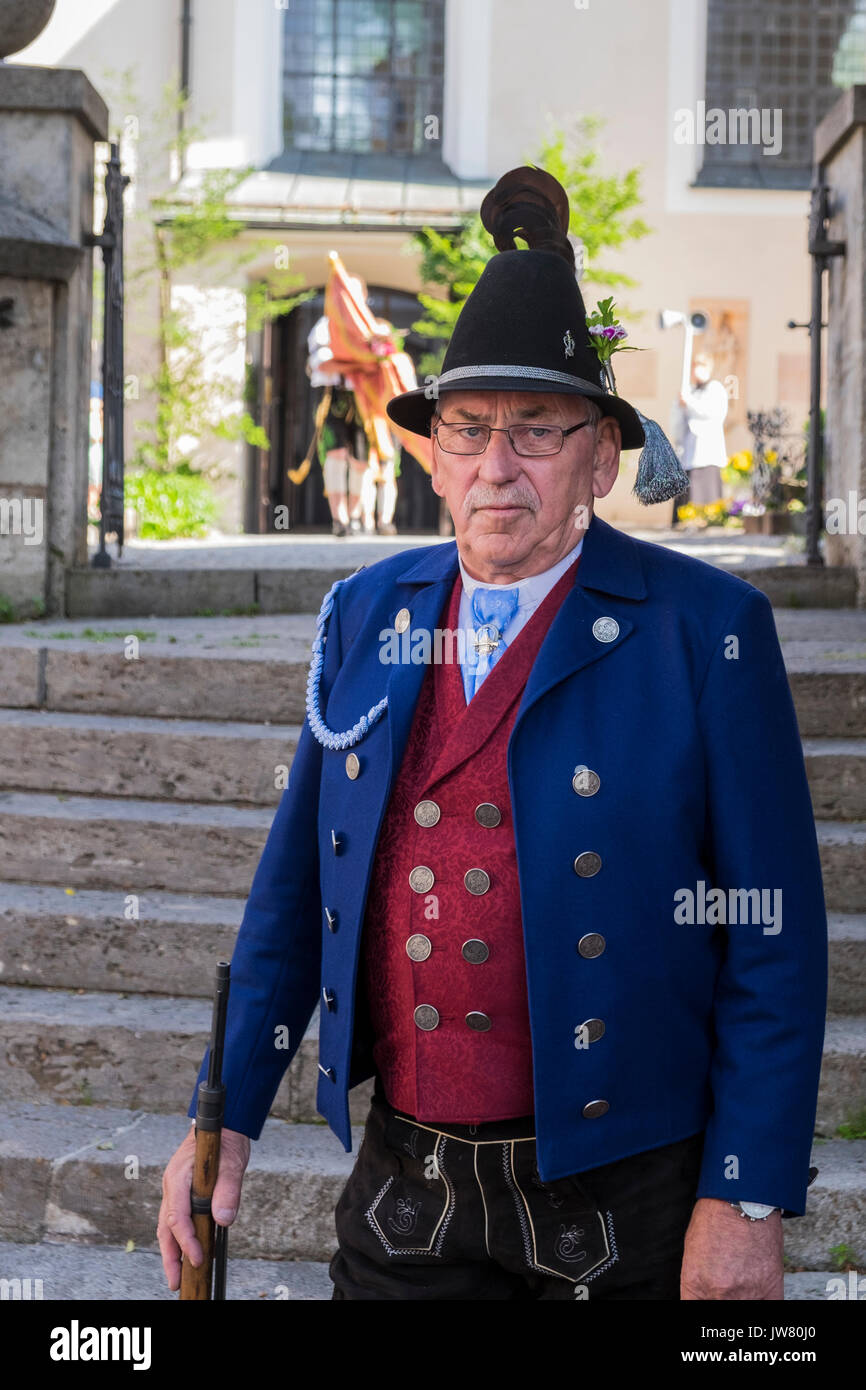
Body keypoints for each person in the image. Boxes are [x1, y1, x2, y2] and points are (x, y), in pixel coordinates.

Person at [158, 167, 827, 1301]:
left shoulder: (705, 631)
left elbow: (772, 938)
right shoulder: (367, 613)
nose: (494, 465)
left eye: (535, 428)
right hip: (405, 1183)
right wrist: (218, 1115)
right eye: (465, 430)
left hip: (619, 1200)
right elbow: (290, 891)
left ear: (600, 457)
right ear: (430, 453)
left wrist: (745, 1195)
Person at [671, 351, 729, 523]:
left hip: (707, 449)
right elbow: (677, 421)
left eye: (702, 366)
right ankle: (685, 520)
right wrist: (680, 405)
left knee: (705, 486)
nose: (698, 371)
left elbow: (711, 413)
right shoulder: (687, 390)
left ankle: (709, 519)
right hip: (688, 448)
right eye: (695, 366)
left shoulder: (716, 389)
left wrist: (688, 402)